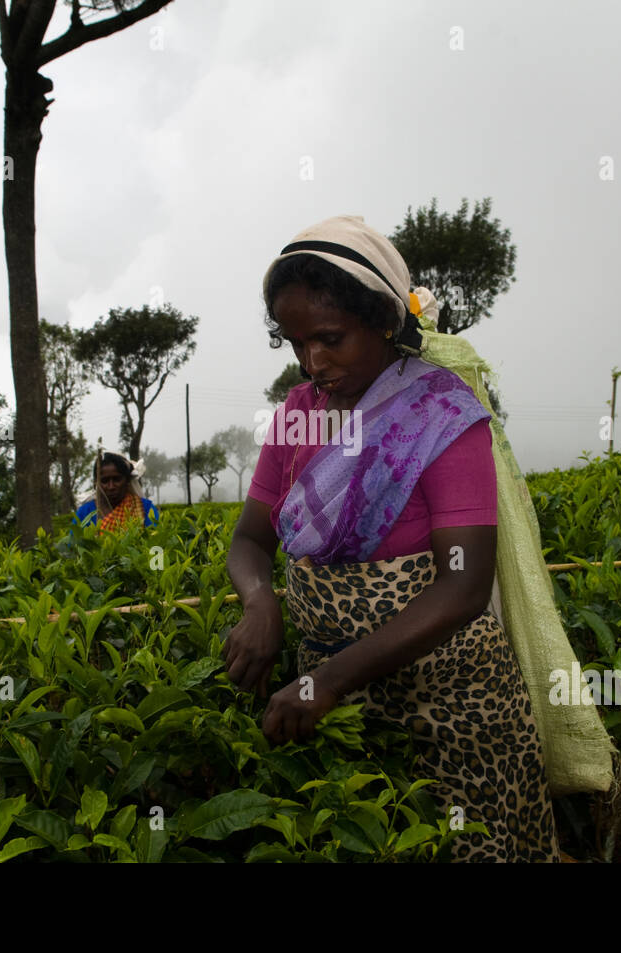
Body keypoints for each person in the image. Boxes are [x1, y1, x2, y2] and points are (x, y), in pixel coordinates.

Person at [224, 214, 560, 862]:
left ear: (383, 319)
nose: (313, 362)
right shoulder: (297, 416)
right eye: (297, 344)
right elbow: (248, 543)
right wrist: (260, 600)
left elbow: (464, 585)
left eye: (330, 338)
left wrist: (330, 680)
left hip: (452, 707)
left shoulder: (440, 416)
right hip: (339, 711)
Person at [75, 451, 160, 531]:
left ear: (127, 481)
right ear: (96, 483)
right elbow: (73, 544)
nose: (111, 487)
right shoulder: (84, 513)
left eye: (117, 479)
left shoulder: (144, 508)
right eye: (104, 481)